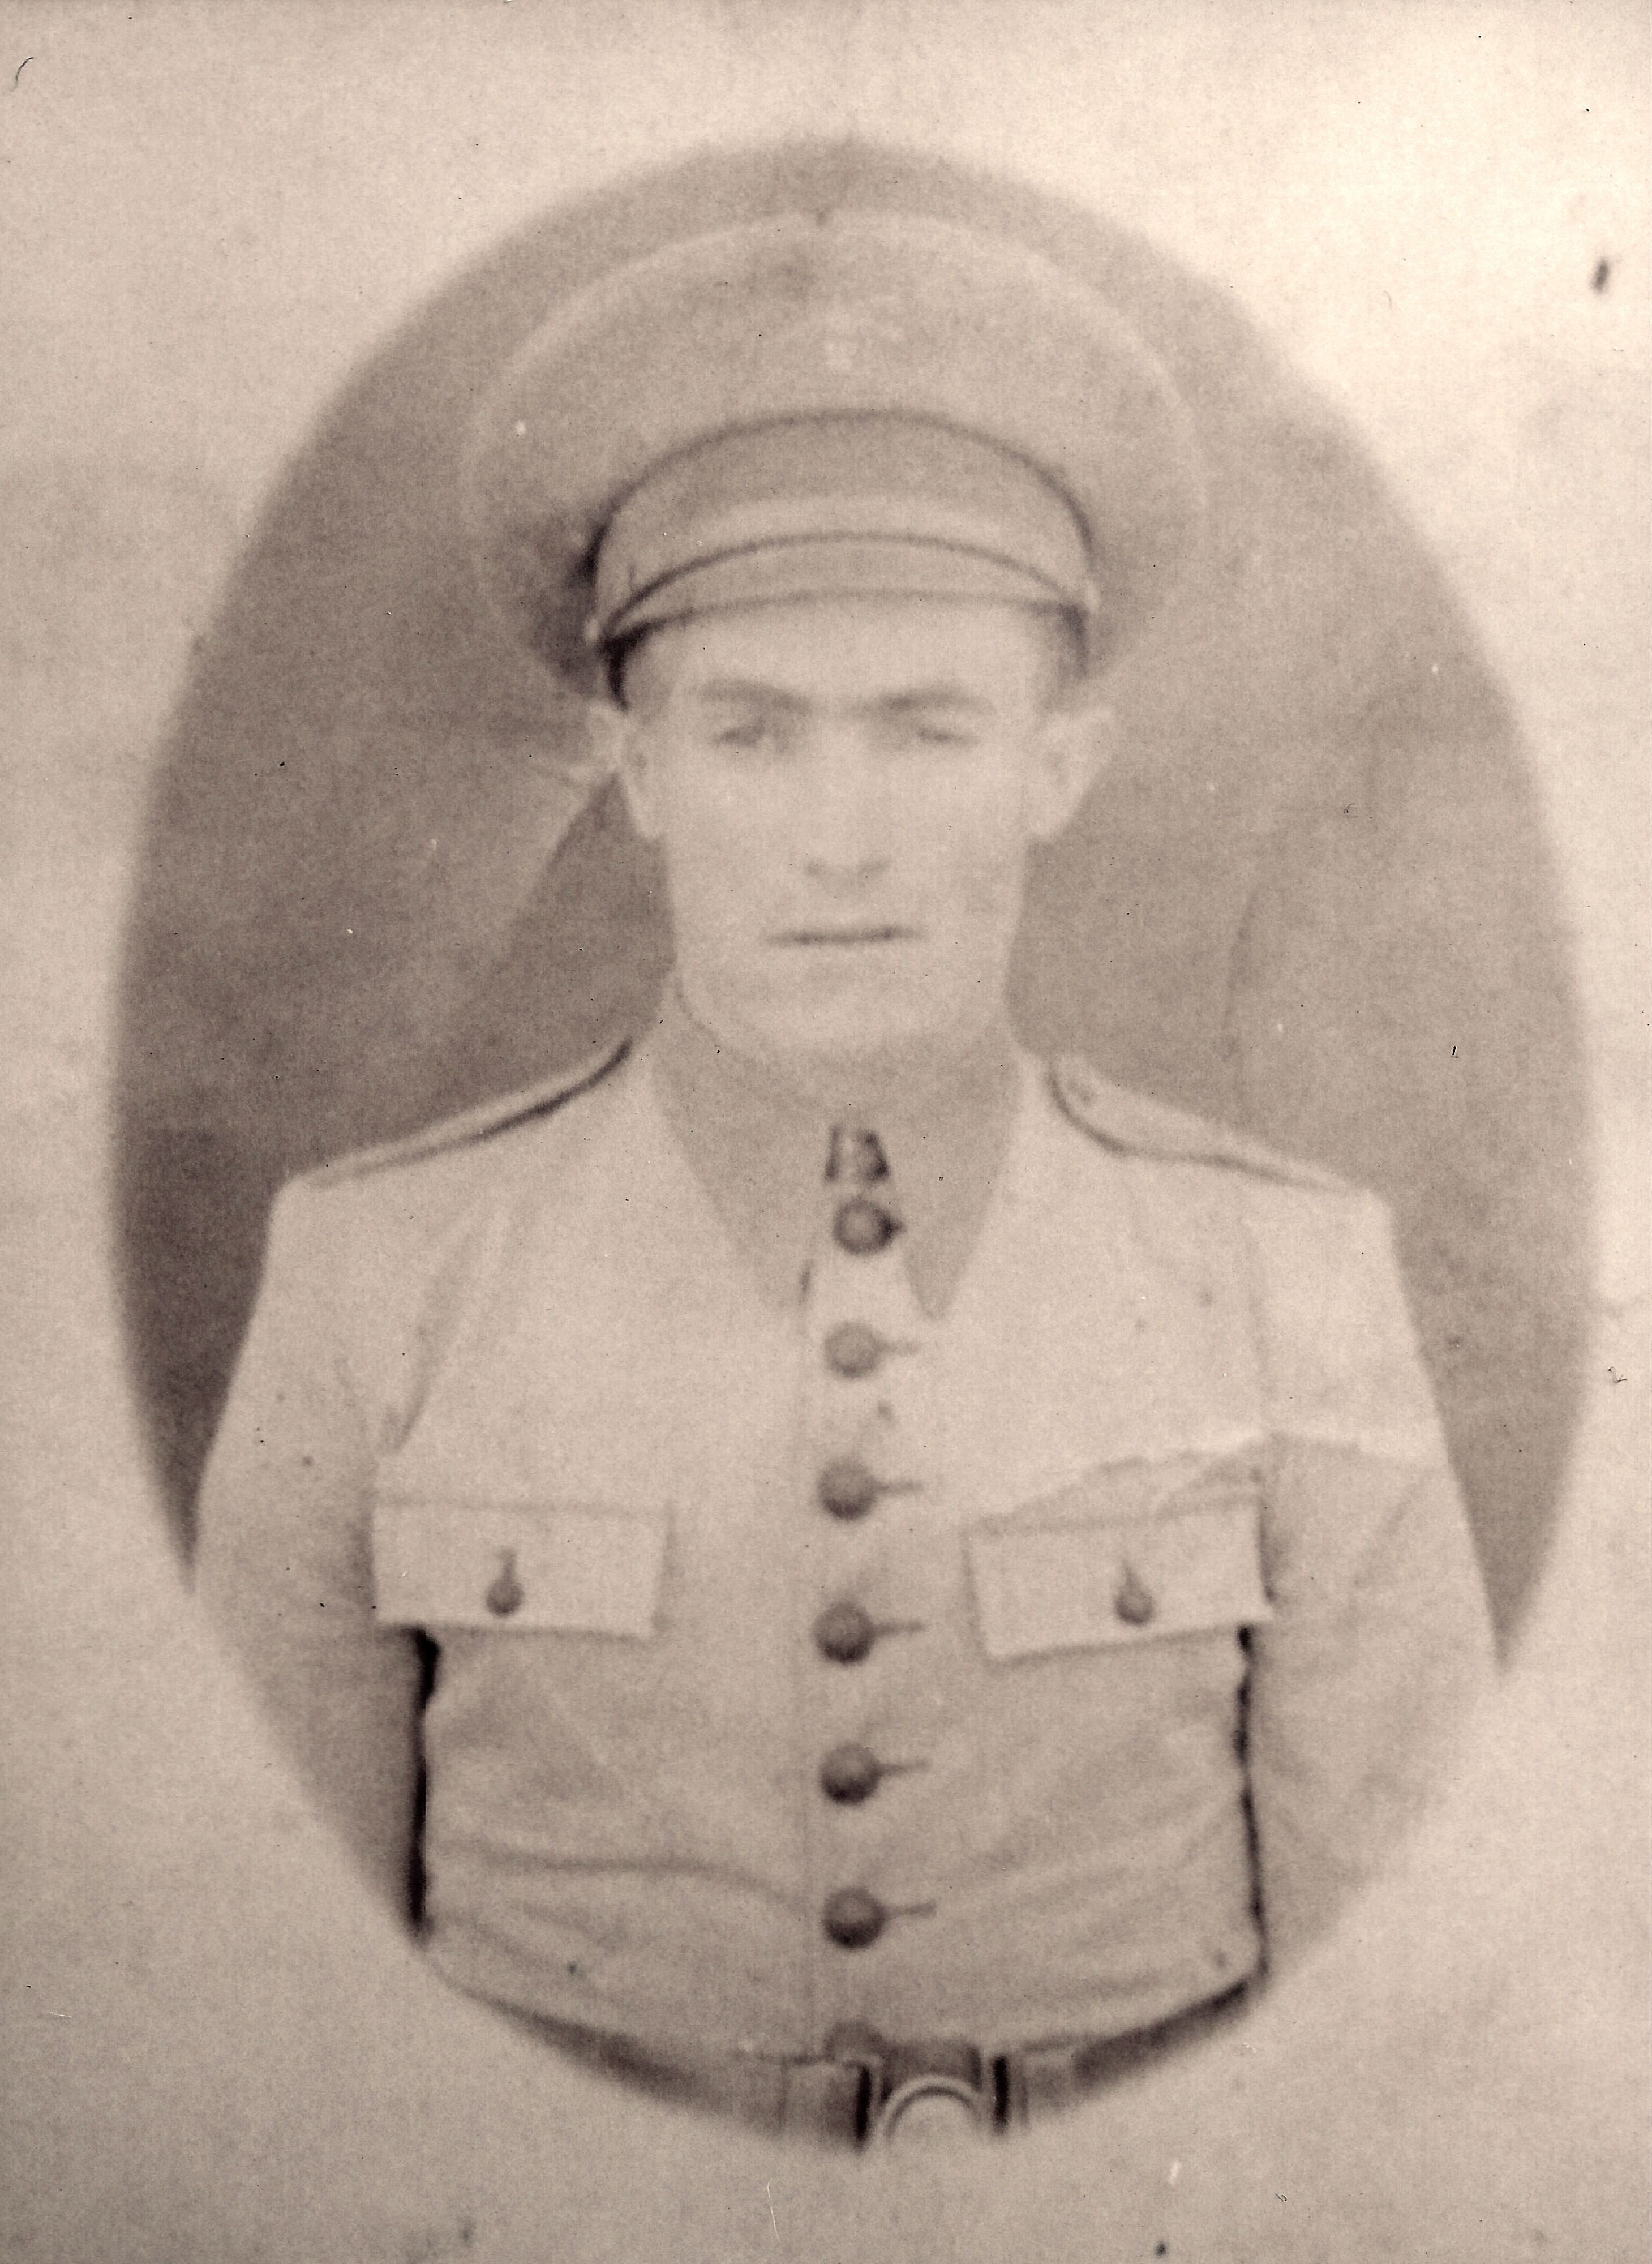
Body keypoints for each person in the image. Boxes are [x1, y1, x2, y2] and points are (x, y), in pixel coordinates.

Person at [195, 207, 1494, 2147]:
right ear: (638, 774)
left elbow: (1401, 2045)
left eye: (928, 729)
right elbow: (270, 2037)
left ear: (1058, 767)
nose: (840, 838)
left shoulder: (1290, 1278)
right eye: (750, 735)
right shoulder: (377, 1275)